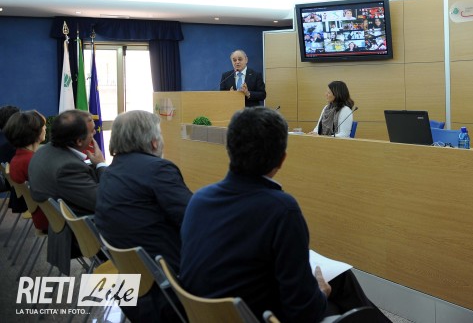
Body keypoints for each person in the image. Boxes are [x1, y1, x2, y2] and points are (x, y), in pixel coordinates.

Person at [179, 107, 390, 322]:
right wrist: (321, 293)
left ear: (229, 149)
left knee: (342, 279)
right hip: (260, 316)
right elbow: (305, 311)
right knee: (349, 308)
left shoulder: (199, 200)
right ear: (281, 160)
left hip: (207, 315)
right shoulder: (282, 210)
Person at [95, 110, 191, 323]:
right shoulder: (159, 169)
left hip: (132, 279)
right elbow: (194, 220)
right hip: (167, 281)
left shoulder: (110, 172)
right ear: (154, 142)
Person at [28, 109, 107, 274]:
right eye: (92, 131)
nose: (95, 134)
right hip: (82, 233)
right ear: (79, 141)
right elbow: (103, 201)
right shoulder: (68, 168)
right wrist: (101, 165)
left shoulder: (45, 151)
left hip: (63, 223)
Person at [3, 110, 48, 231]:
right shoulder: (32, 162)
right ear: (33, 133)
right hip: (51, 218)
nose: (45, 128)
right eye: (43, 126)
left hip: (43, 215)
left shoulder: (18, 158)